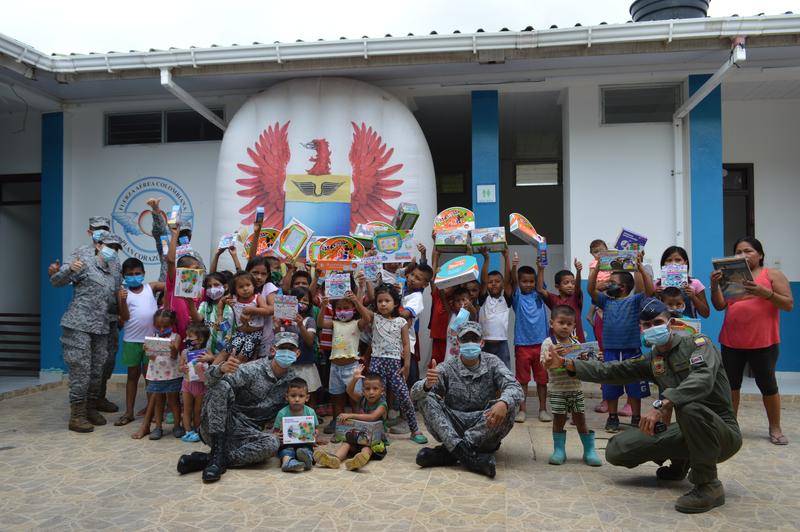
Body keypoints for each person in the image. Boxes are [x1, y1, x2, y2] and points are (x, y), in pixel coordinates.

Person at [542, 298, 742, 514]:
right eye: (646, 325)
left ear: (670, 322)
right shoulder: (653, 359)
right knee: (618, 450)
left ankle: (708, 485)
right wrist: (565, 363)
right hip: (688, 428)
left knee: (689, 407)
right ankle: (681, 462)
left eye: (657, 322)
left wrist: (662, 404)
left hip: (722, 432)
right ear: (641, 329)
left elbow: (702, 378)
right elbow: (612, 371)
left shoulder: (698, 344)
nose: (652, 328)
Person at [176, 331, 301, 483]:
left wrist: (305, 434)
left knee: (272, 443)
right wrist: (221, 368)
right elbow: (209, 381)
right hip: (220, 425)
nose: (287, 353)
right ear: (273, 350)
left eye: (291, 349)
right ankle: (216, 455)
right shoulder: (253, 369)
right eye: (283, 348)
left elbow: (295, 410)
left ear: (298, 353)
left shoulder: (294, 381)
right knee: (221, 385)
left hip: (248, 434)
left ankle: (211, 459)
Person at [412, 321, 523, 478]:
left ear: (482, 343)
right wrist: (427, 385)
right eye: (465, 339)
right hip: (454, 424)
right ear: (458, 343)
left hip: (484, 425)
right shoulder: (448, 366)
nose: (470, 343)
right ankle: (470, 457)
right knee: (425, 397)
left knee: (511, 404)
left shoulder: (493, 362)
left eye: (474, 339)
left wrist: (503, 402)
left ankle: (449, 452)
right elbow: (414, 394)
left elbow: (515, 387)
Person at [712, 236, 794, 445]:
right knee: (731, 386)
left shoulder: (772, 275)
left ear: (760, 254)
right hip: (731, 340)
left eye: (748, 251)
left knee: (768, 386)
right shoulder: (731, 275)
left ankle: (775, 428)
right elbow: (720, 306)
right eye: (738, 252)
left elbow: (788, 304)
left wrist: (764, 292)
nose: (742, 255)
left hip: (763, 342)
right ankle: (731, 427)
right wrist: (715, 286)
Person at [49, 230, 122, 432]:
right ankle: (77, 415)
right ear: (99, 245)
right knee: (81, 370)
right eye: (110, 246)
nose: (113, 251)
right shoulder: (84, 262)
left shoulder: (112, 273)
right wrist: (68, 270)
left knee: (97, 370)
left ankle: (90, 408)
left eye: (116, 248)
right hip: (78, 325)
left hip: (100, 328)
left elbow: (114, 299)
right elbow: (56, 282)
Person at [350, 285, 427, 444]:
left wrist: (406, 365)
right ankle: (381, 431)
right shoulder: (375, 318)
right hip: (377, 364)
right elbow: (363, 311)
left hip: (394, 365)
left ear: (395, 303)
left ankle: (414, 430)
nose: (383, 304)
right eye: (380, 301)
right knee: (378, 399)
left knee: (405, 397)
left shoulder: (401, 322)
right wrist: (356, 301)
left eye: (387, 301)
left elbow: (406, 345)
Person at [587, 252, 654, 432]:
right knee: (610, 386)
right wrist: (598, 268)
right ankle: (613, 417)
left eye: (611, 282)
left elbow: (649, 291)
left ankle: (636, 417)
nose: (608, 284)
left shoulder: (635, 300)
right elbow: (590, 289)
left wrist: (639, 267)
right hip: (611, 351)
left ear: (623, 287)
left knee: (635, 388)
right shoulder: (605, 301)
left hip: (632, 351)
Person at [539, 306, 602, 467]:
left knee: (580, 418)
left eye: (569, 324)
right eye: (561, 322)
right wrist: (551, 356)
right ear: (552, 323)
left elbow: (583, 364)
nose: (565, 326)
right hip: (557, 389)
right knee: (559, 419)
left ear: (574, 326)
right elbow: (544, 365)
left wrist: (595, 357)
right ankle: (559, 450)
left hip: (575, 388)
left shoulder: (576, 343)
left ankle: (589, 450)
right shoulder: (548, 343)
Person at [114, 257, 164, 426]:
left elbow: (173, 286)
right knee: (132, 376)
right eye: (129, 274)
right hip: (131, 341)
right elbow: (125, 317)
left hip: (153, 339)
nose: (134, 276)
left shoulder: (152, 287)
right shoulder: (122, 293)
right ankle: (129, 412)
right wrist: (121, 300)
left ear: (143, 273)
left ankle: (153, 412)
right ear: (123, 276)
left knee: (151, 378)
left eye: (137, 273)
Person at [315, 366, 388, 471]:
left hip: (376, 442)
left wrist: (351, 415)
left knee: (367, 448)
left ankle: (359, 460)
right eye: (367, 389)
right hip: (359, 437)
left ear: (382, 391)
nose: (371, 392)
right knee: (347, 443)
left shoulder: (382, 405)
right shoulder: (363, 399)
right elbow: (349, 391)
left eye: (375, 389)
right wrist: (354, 379)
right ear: (363, 391)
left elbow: (372, 417)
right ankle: (335, 459)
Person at [132, 309, 183, 440]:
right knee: (159, 402)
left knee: (174, 401)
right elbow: (152, 358)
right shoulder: (152, 338)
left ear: (172, 324)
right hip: (156, 375)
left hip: (172, 374)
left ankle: (177, 426)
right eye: (158, 326)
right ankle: (158, 427)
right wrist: (148, 351)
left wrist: (172, 347)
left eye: (165, 327)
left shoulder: (176, 337)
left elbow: (174, 355)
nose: (161, 329)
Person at [510, 257, 550, 423]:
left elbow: (540, 285)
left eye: (531, 281)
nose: (528, 284)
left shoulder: (539, 295)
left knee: (542, 380)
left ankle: (542, 409)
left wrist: (540, 268)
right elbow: (512, 282)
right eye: (524, 281)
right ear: (519, 283)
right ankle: (522, 410)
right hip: (522, 345)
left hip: (541, 345)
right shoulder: (517, 297)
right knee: (523, 381)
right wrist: (514, 266)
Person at [317, 291, 360, 434]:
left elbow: (368, 318)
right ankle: (338, 425)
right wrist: (323, 307)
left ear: (353, 309)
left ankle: (357, 424)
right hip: (335, 367)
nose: (342, 311)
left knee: (355, 399)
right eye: (339, 308)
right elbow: (320, 323)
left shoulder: (357, 323)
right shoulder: (334, 323)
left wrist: (357, 302)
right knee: (337, 397)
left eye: (346, 308)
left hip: (352, 367)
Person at [477, 247, 513, 368]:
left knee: (504, 373)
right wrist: (486, 258)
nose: (493, 283)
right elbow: (482, 281)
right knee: (485, 373)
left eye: (497, 281)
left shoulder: (505, 300)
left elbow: (508, 281)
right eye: (490, 281)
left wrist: (506, 256)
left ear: (502, 285)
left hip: (502, 343)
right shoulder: (484, 300)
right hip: (484, 343)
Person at [273, 377, 318, 472]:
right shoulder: (282, 413)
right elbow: (275, 432)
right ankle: (287, 462)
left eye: (301, 396)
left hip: (305, 442)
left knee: (306, 449)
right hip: (286, 444)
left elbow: (316, 429)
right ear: (287, 397)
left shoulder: (310, 412)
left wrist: (315, 434)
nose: (297, 399)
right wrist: (278, 436)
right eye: (293, 396)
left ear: (307, 398)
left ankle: (307, 459)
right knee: (286, 451)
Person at [185, 272, 236, 355]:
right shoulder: (205, 305)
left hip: (226, 353)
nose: (213, 288)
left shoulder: (231, 305)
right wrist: (190, 302)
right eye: (209, 286)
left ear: (225, 287)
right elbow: (197, 319)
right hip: (206, 352)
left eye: (216, 285)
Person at [537, 257, 586, 342]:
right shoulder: (554, 299)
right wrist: (540, 269)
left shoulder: (576, 297)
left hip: (576, 342)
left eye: (573, 283)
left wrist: (578, 272)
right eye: (566, 283)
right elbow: (540, 289)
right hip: (557, 342)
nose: (570, 285)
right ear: (557, 286)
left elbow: (577, 287)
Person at [178, 322, 212, 443]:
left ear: (201, 339)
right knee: (186, 409)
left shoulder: (206, 352)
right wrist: (183, 368)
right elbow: (180, 367)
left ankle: (198, 431)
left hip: (201, 386)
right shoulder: (185, 352)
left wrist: (209, 359)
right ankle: (188, 431)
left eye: (190, 336)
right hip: (187, 385)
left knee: (198, 411)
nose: (187, 339)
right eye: (187, 336)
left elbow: (213, 361)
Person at [655, 246, 710, 319]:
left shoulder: (695, 283)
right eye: (669, 260)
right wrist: (656, 297)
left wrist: (693, 297)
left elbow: (706, 314)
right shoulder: (657, 285)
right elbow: (651, 312)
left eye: (678, 260)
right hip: (664, 328)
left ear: (685, 263)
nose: (673, 263)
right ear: (663, 264)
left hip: (689, 328)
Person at [225, 271, 268, 360]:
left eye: (248, 285)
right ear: (235, 289)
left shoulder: (257, 298)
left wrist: (253, 310)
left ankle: (236, 372)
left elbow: (266, 310)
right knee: (228, 352)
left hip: (255, 333)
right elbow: (222, 301)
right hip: (239, 332)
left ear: (253, 285)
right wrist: (219, 315)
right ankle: (213, 370)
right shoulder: (234, 298)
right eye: (241, 287)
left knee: (243, 356)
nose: (245, 289)